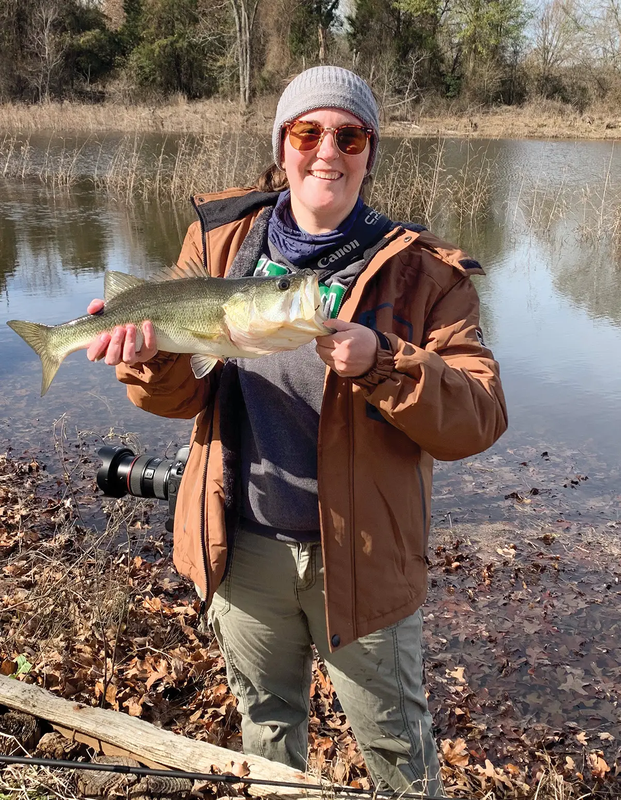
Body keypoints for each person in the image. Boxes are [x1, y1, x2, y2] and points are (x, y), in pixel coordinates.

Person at [86, 66, 507, 796]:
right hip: (242, 547)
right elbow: (177, 401)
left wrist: (385, 362)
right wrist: (152, 362)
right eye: (307, 132)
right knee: (268, 731)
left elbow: (477, 417)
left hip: (365, 559)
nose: (327, 152)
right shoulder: (219, 242)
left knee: (397, 751)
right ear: (281, 145)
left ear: (369, 152)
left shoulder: (424, 273)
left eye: (349, 136)